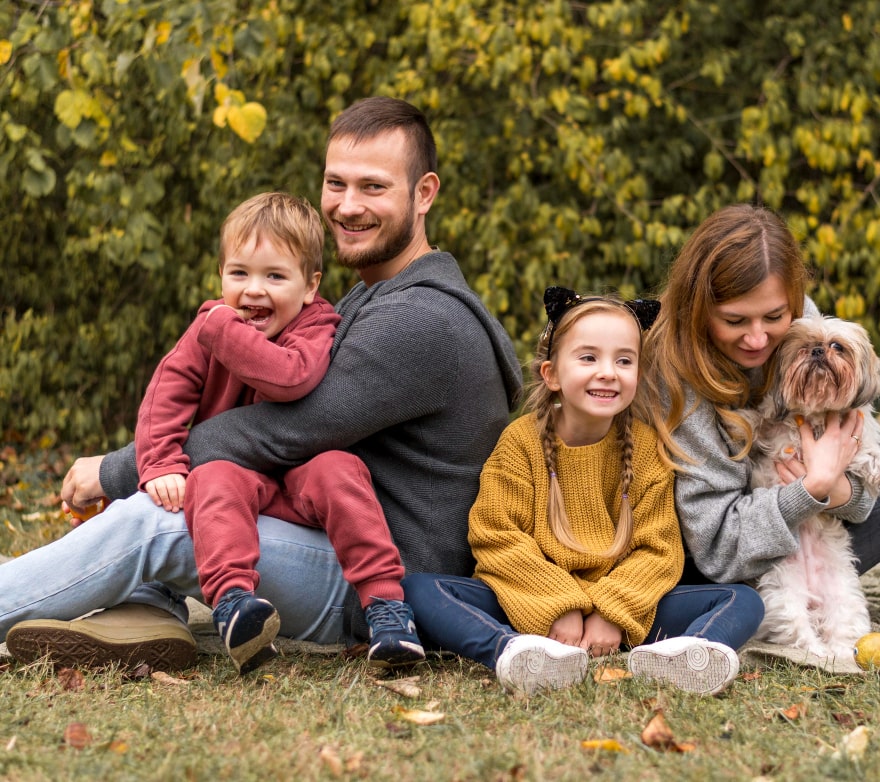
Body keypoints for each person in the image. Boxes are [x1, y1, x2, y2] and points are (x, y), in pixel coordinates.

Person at [1, 97, 522, 672]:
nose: (348, 206)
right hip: (333, 534)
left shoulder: (421, 318)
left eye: (373, 187)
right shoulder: (376, 296)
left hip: (378, 581)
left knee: (157, 520)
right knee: (196, 498)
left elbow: (277, 432)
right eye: (335, 183)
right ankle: (146, 617)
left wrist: (114, 471)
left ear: (424, 194)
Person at [403, 287, 764, 696]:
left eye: (624, 360)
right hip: (529, 608)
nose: (608, 372)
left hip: (626, 611)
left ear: (638, 375)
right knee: (420, 589)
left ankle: (684, 657)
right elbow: (496, 536)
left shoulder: (645, 449)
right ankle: (515, 652)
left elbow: (659, 549)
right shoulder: (521, 443)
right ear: (551, 374)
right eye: (589, 357)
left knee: (743, 601)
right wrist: (561, 606)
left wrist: (610, 613)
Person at [131, 191, 423, 674]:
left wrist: (225, 331)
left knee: (340, 468)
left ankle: (386, 609)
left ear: (310, 286)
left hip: (296, 478)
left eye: (274, 276)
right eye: (239, 273)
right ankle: (234, 606)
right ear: (221, 275)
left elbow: (292, 378)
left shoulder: (316, 324)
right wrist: (160, 461)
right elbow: (168, 390)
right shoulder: (209, 326)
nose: (253, 291)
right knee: (213, 477)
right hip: (237, 478)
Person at [641, 202, 880, 587]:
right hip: (756, 561)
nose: (758, 337)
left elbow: (854, 469)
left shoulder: (801, 324)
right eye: (735, 321)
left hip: (812, 500)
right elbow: (718, 551)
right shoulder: (678, 385)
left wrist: (838, 487)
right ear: (698, 308)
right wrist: (814, 487)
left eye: (775, 317)